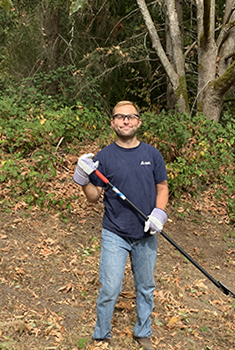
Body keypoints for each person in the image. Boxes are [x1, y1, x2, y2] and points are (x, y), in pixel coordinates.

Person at [73, 101, 169, 350]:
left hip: (146, 233)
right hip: (115, 232)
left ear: (138, 121)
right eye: (120, 117)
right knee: (110, 287)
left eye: (130, 117)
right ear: (113, 122)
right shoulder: (104, 157)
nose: (125, 121)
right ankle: (101, 335)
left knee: (146, 287)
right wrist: (83, 180)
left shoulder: (152, 154)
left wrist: (159, 213)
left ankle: (142, 332)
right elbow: (94, 196)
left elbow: (162, 187)